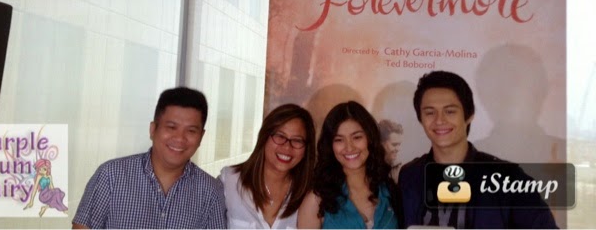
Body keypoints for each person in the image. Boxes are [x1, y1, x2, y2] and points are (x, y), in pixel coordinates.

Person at [398, 70, 558, 229]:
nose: (439, 120)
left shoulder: (509, 178)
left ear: (469, 115)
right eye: (430, 112)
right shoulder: (410, 176)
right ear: (420, 119)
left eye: (450, 111)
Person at [72, 87, 226, 229]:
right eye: (171, 127)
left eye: (191, 131)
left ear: (201, 137)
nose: (180, 138)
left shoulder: (211, 191)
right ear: (153, 129)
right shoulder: (111, 175)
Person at [297, 101, 401, 229]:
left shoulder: (390, 191)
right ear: (330, 146)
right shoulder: (316, 201)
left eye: (357, 137)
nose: (349, 147)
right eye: (339, 140)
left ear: (370, 139)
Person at [218, 104, 316, 228]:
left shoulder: (312, 196)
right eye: (280, 136)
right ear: (264, 137)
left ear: (306, 148)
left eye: (297, 140)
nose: (287, 147)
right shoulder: (229, 181)